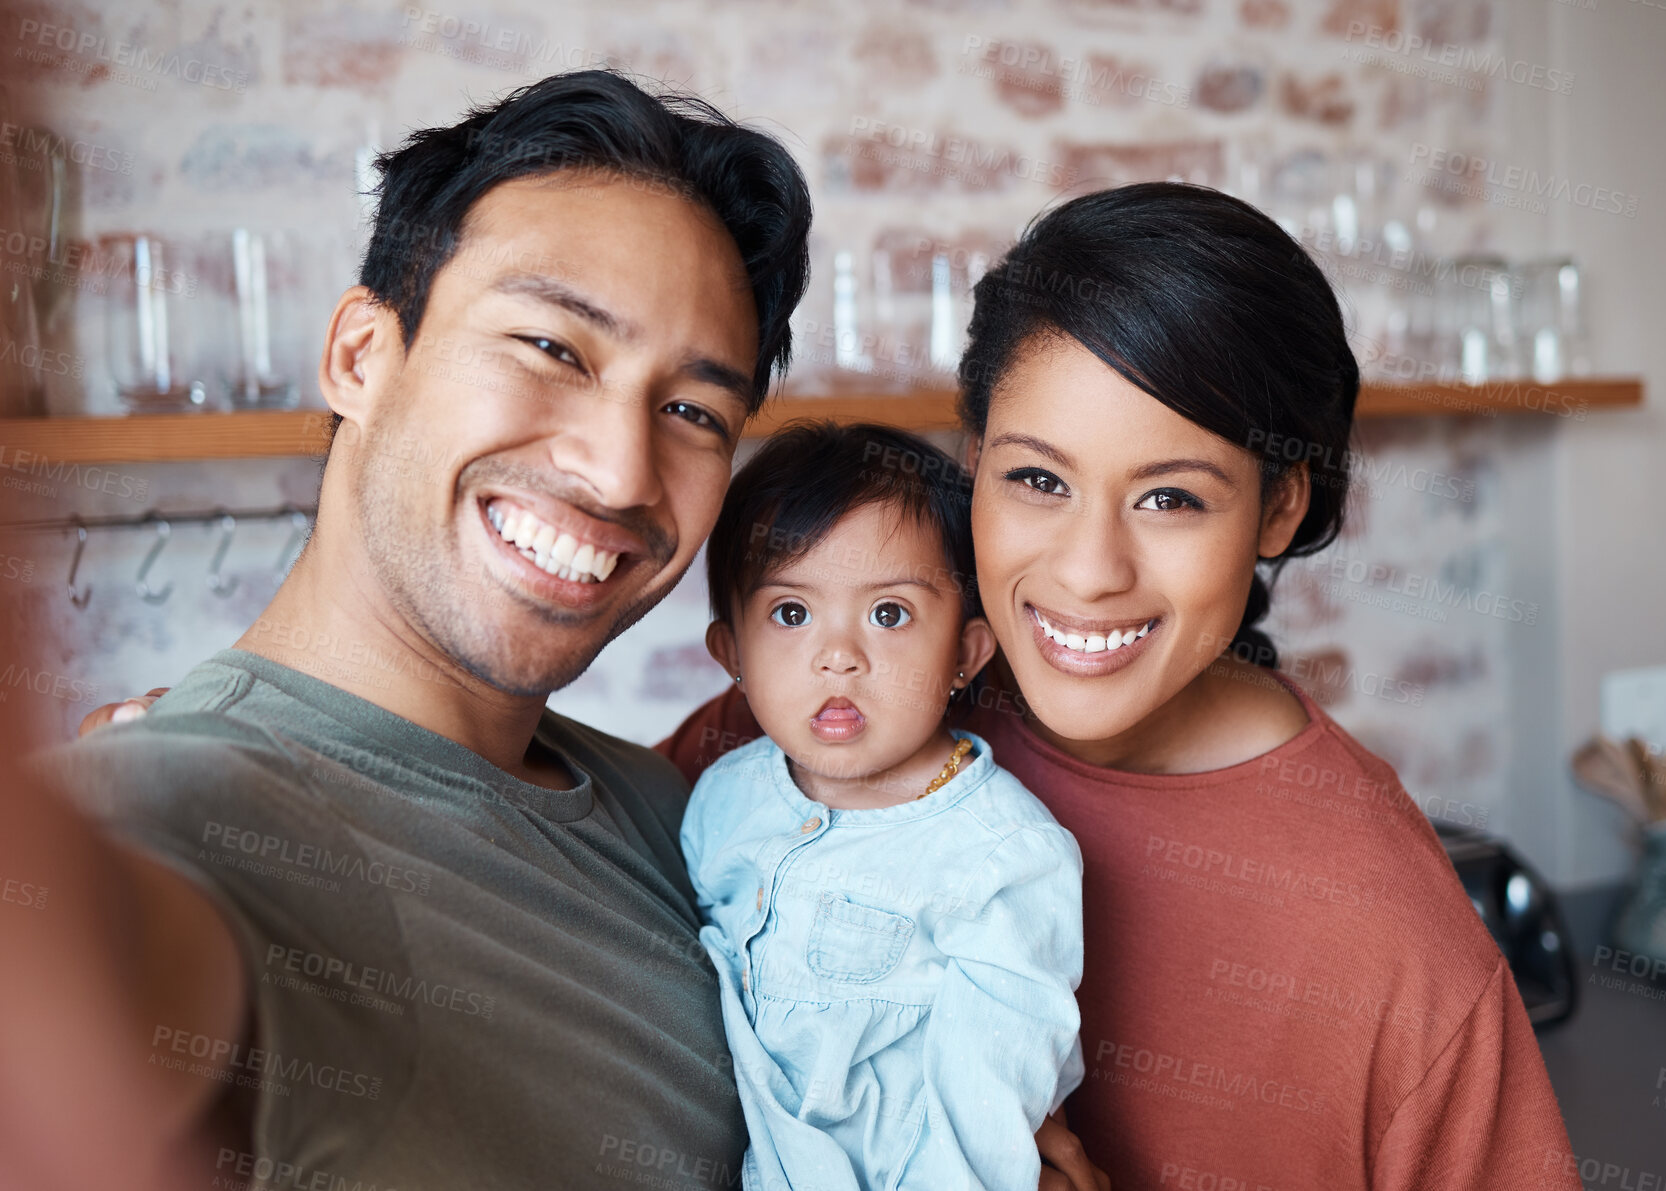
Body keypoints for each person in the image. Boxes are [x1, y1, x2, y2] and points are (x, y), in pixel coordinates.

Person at [3, 69, 1103, 1191]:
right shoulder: (166, 815)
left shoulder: (689, 808)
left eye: (690, 412)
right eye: (553, 349)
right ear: (359, 357)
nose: (621, 469)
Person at [661, 183, 1584, 1190]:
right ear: (975, 465)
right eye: (1038, 481)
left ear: (1276, 509)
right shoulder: (837, 720)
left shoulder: (1397, 955)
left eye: (1169, 497)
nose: (1088, 569)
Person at [682, 422, 1084, 1189]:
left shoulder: (1005, 858)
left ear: (965, 654)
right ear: (730, 653)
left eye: (889, 614)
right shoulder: (720, 801)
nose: (839, 654)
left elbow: (984, 1113)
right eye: (791, 613)